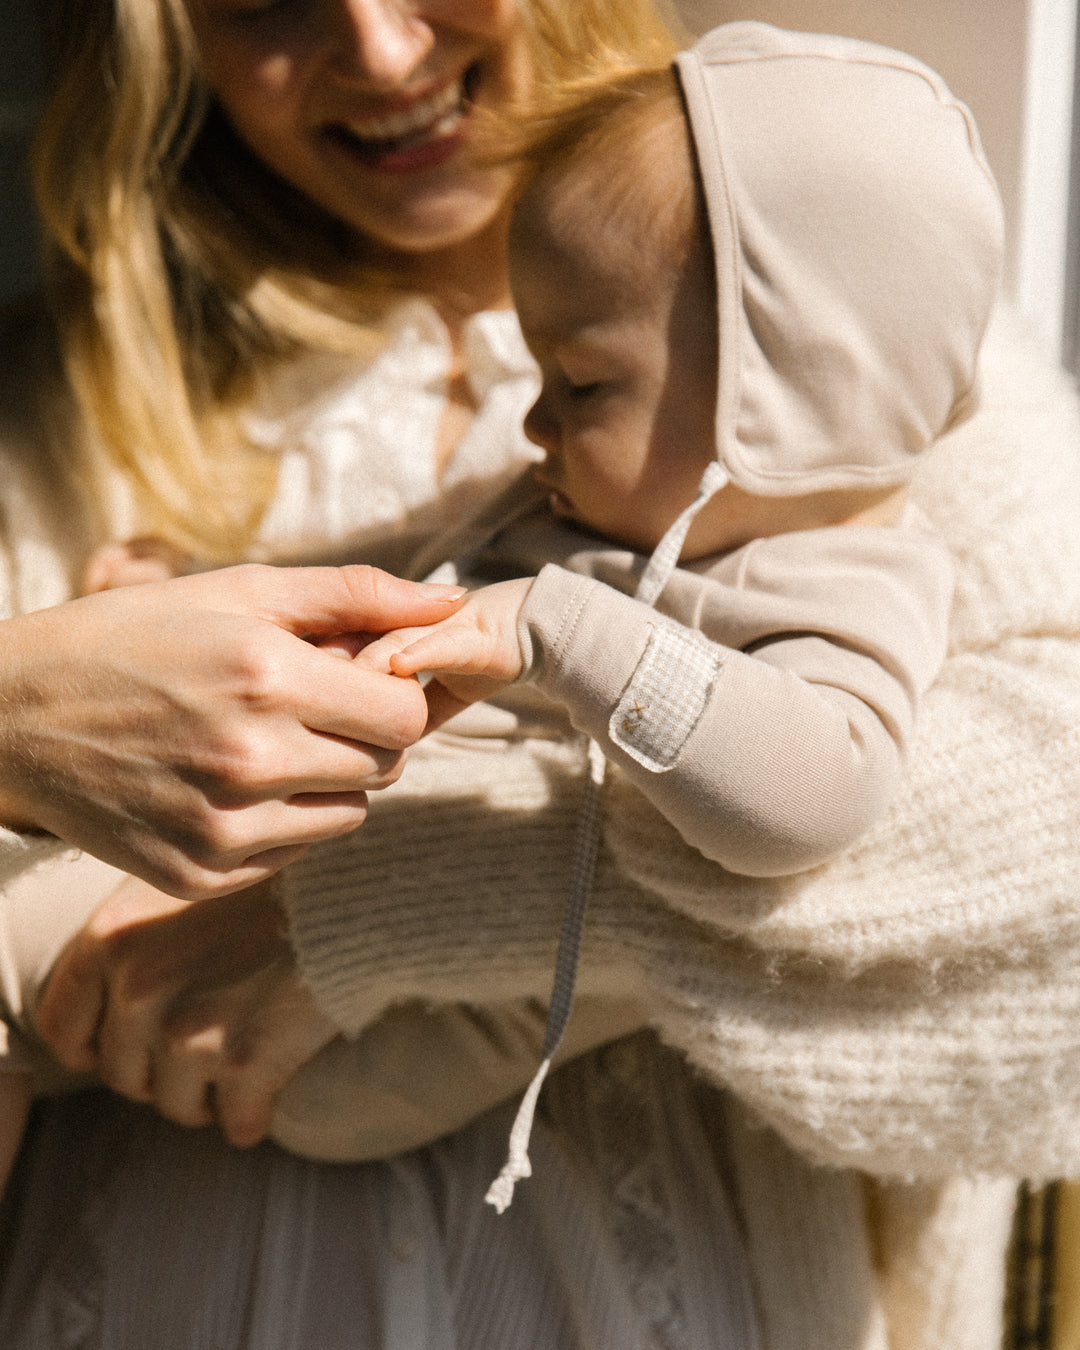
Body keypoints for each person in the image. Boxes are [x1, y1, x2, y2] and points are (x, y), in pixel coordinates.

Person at [3, 10, 1080, 1350]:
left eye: (578, 380)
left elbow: (1046, 872)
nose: (384, 54)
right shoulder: (65, 403)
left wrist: (404, 898)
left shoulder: (849, 313)